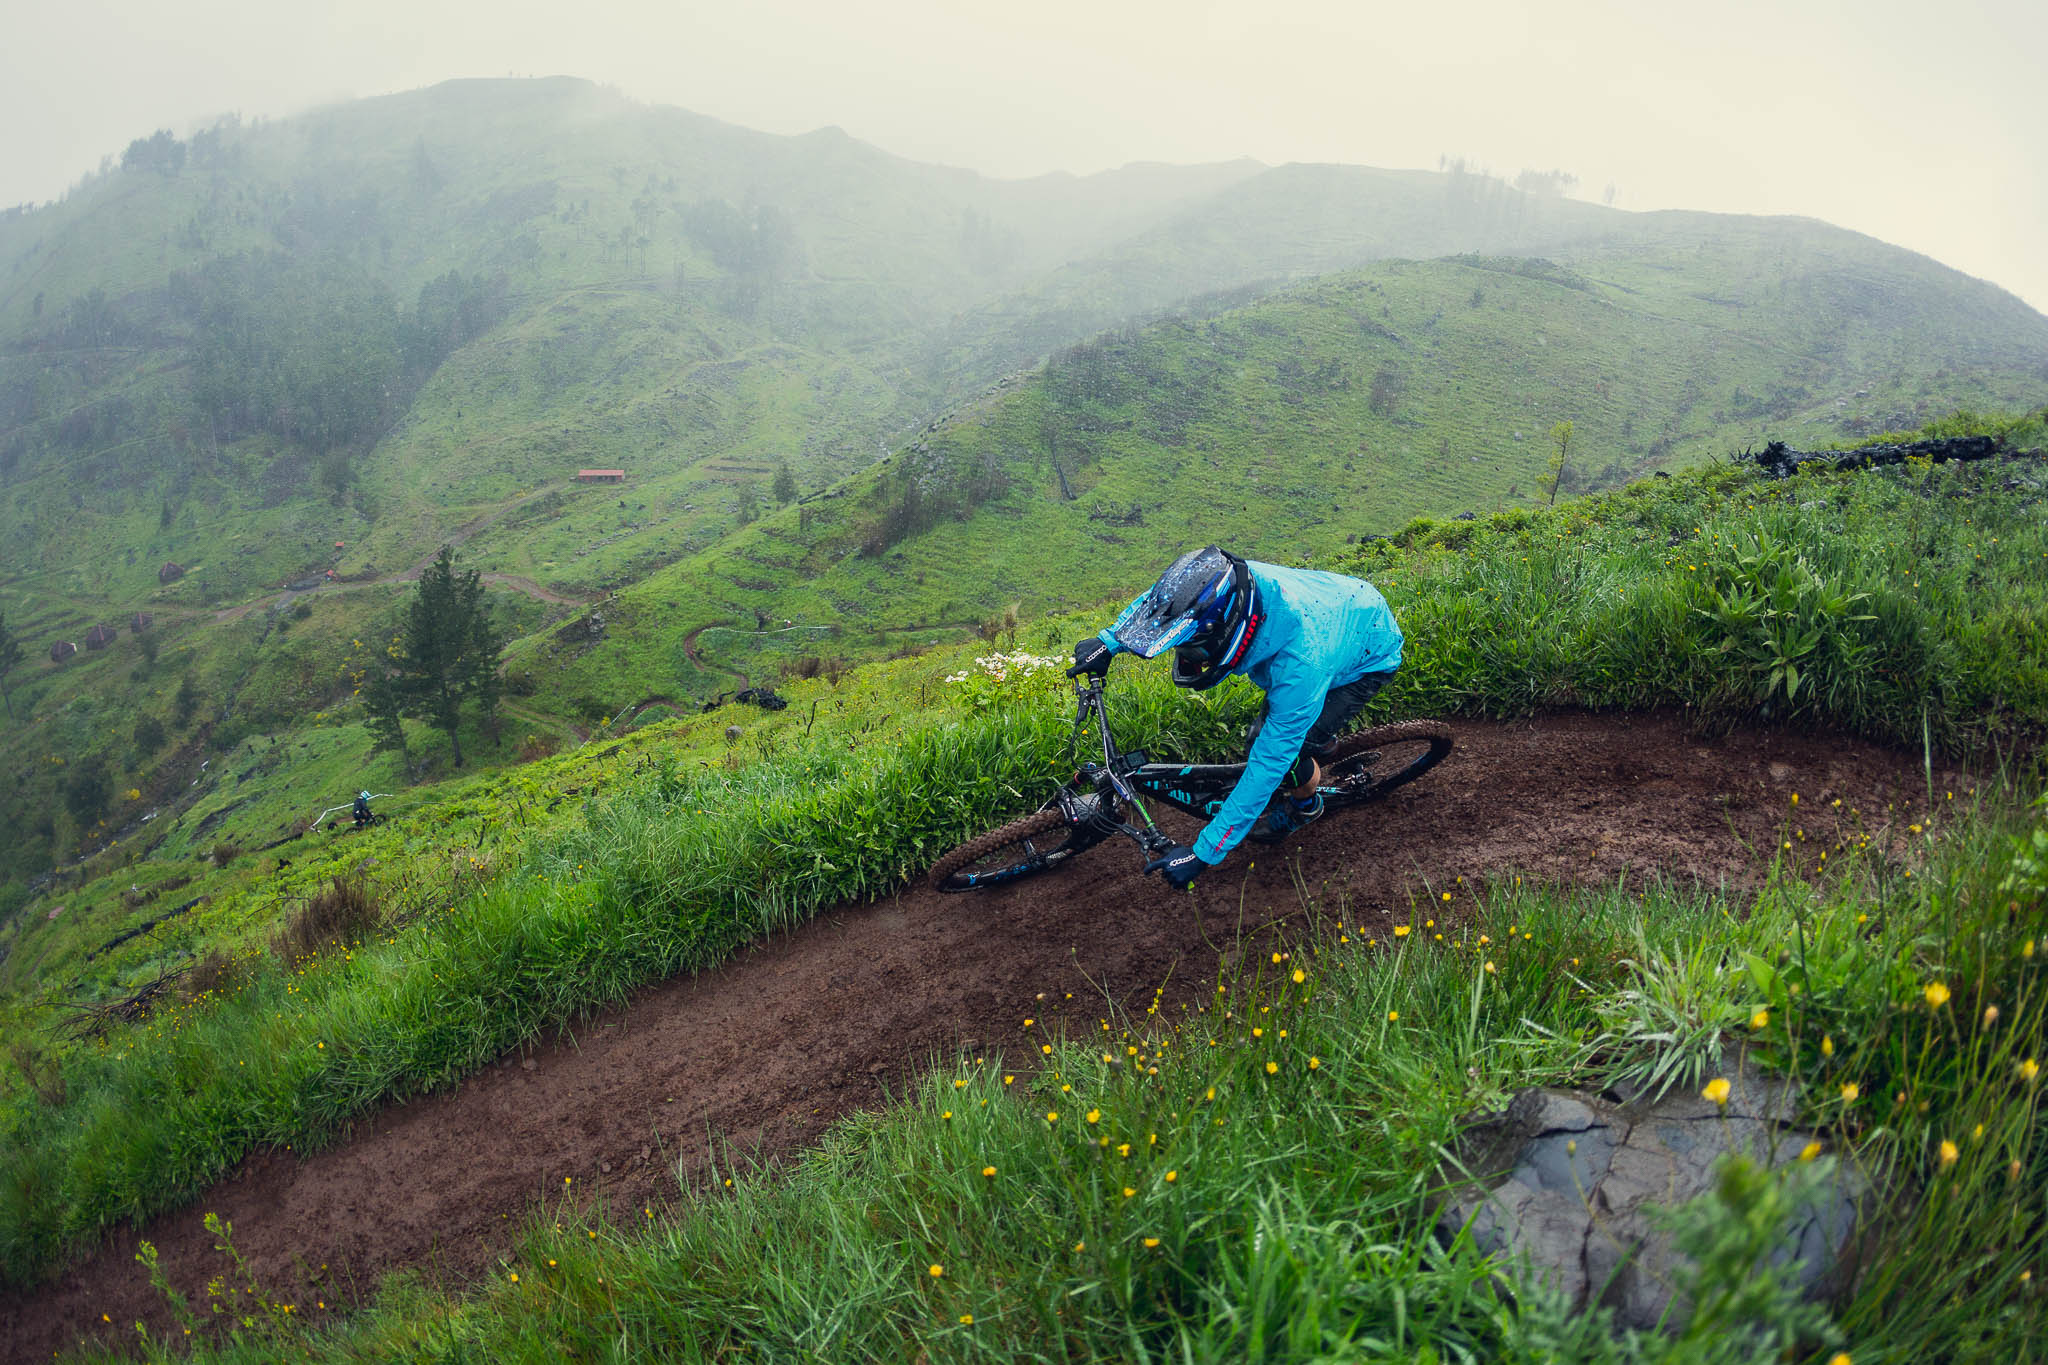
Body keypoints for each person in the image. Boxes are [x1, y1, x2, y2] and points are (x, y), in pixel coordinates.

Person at [1069, 546, 1402, 889]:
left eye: (1192, 648)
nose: (1188, 657)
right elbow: (1171, 600)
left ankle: (1306, 805)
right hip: (1338, 605)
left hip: (1366, 658)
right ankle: (1318, 741)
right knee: (1273, 735)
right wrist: (1109, 642)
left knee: (1278, 749)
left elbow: (1269, 764)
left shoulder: (1302, 667)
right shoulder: (1229, 581)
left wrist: (1203, 852)